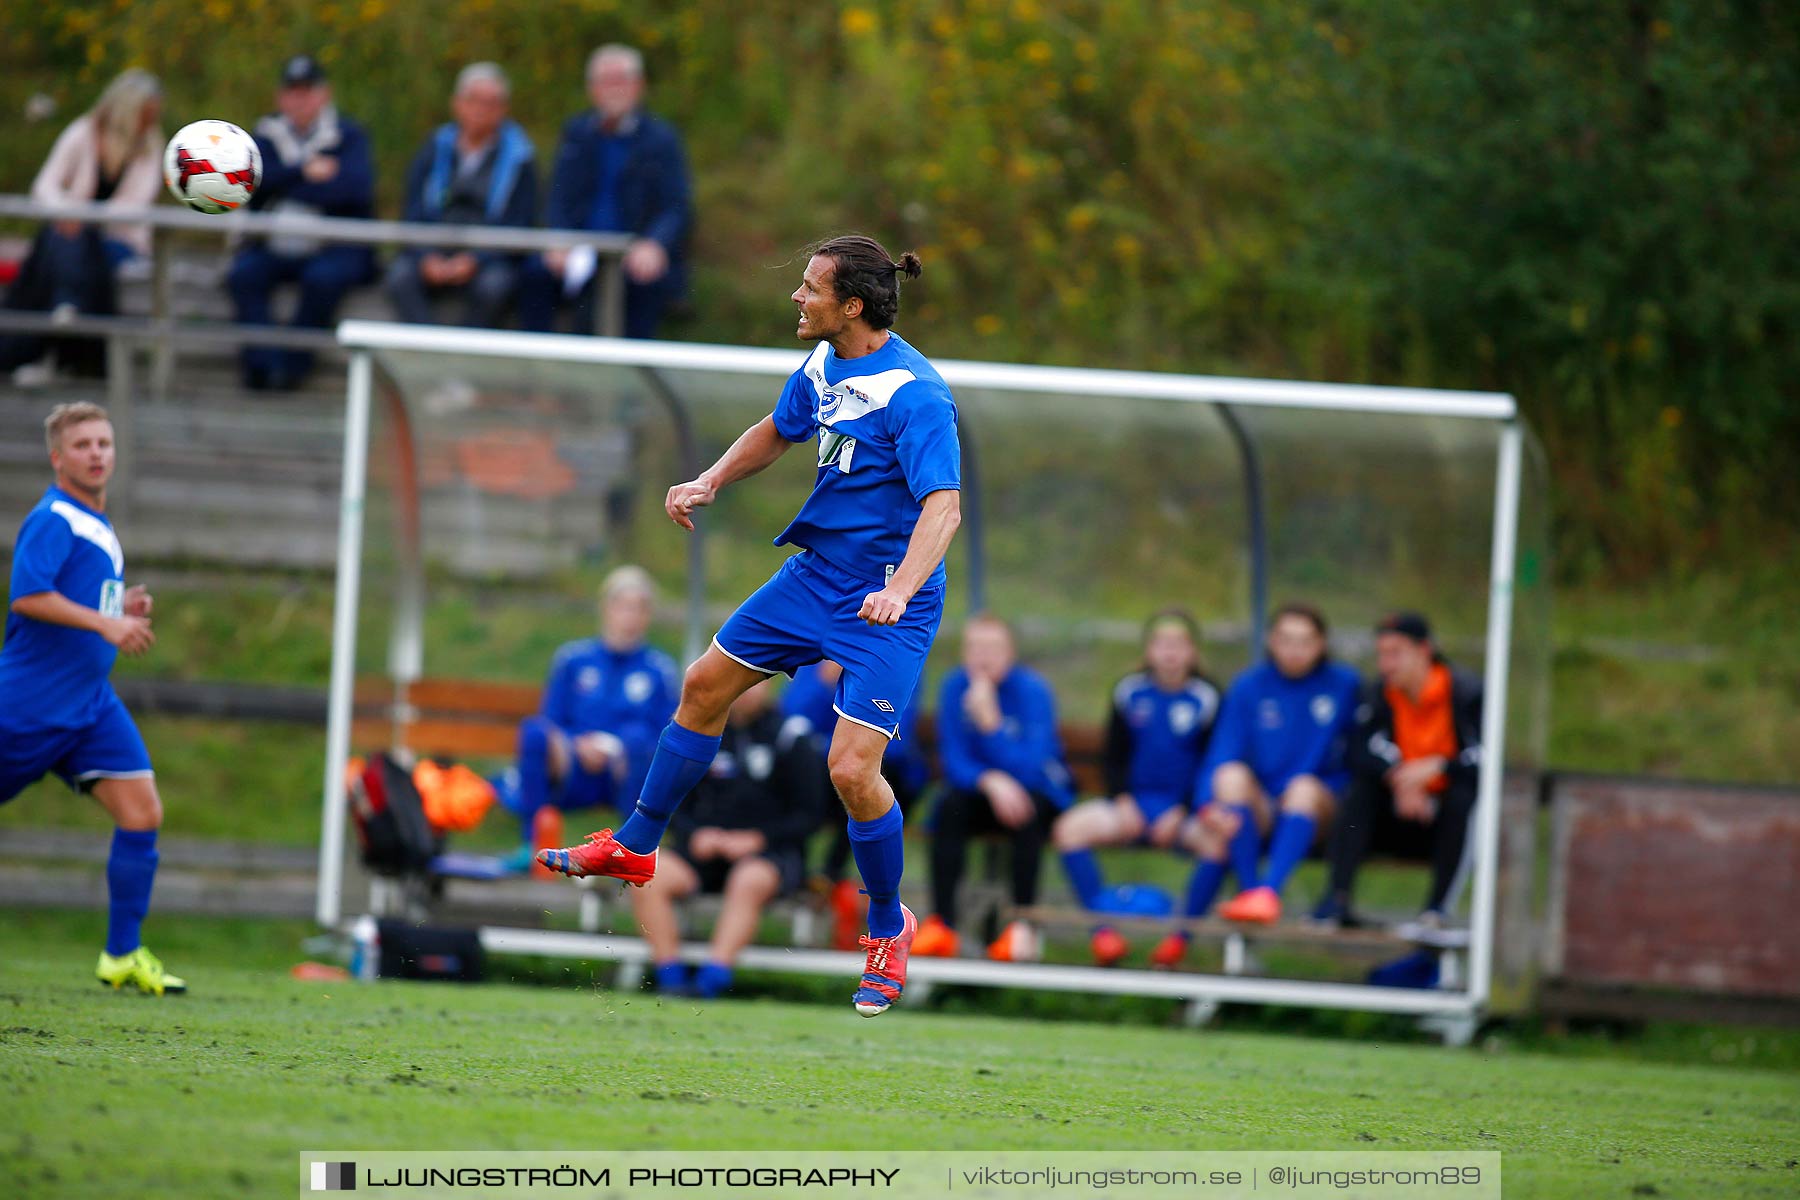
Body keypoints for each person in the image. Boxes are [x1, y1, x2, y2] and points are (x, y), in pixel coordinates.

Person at [536, 234, 958, 1019]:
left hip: (887, 606)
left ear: (852, 305)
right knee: (702, 685)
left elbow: (944, 507)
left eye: (810, 288)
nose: (797, 298)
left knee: (851, 772)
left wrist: (900, 587)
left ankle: (887, 925)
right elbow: (779, 427)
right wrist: (710, 478)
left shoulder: (917, 394)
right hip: (815, 577)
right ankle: (635, 845)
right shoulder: (826, 364)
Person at [0, 403, 182, 995]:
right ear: (58, 457)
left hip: (88, 706)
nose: (97, 453)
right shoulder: (54, 516)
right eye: (82, 445)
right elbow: (28, 595)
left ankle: (122, 955)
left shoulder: (93, 521)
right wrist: (107, 627)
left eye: (104, 442)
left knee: (142, 813)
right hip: (26, 706)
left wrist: (117, 606)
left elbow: (69, 596)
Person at [1152, 603, 1361, 967]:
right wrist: (1208, 807)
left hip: (1322, 810)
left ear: (1321, 643)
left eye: (1305, 641)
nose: (1295, 650)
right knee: (1229, 784)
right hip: (1263, 809)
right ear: (1271, 641)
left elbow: (1358, 759)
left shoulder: (1345, 685)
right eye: (1286, 640)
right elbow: (1221, 755)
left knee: (1302, 788)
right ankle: (1248, 900)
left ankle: (1263, 894)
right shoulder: (1249, 686)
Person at [629, 679, 827, 998]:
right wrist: (695, 834)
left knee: (748, 880)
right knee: (649, 874)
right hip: (705, 852)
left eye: (755, 680)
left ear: (769, 684)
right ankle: (670, 978)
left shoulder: (791, 735)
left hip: (768, 855)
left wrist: (758, 839)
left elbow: (811, 814)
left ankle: (712, 980)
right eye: (739, 677)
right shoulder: (699, 730)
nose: (745, 687)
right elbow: (669, 798)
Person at [1051, 609, 1220, 967]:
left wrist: (1184, 810)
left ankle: (1177, 942)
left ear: (1192, 652)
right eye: (1161, 644)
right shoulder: (1130, 692)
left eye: (1178, 644)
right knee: (1069, 831)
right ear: (1148, 651)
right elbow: (1112, 757)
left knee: (1218, 845)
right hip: (1133, 804)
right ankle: (1104, 935)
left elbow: (1211, 763)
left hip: (1179, 811)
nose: (1169, 653)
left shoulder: (1207, 698)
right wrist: (1124, 800)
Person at [913, 613, 1074, 964]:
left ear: (1011, 653)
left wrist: (991, 724)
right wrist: (989, 780)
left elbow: (1031, 769)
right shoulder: (955, 687)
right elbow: (954, 760)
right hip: (983, 793)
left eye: (993, 649)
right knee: (947, 807)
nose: (983, 658)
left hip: (1035, 793)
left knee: (1026, 809)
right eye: (974, 648)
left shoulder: (1032, 691)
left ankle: (1021, 926)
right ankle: (943, 924)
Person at [498, 566, 679, 872]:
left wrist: (619, 748)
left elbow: (666, 733)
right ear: (607, 609)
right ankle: (532, 845)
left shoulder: (659, 670)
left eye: (639, 609)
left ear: (648, 616)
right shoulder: (573, 659)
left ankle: (629, 851)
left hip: (626, 774)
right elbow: (551, 719)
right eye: (623, 606)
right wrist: (573, 745)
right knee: (534, 733)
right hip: (574, 768)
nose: (630, 617)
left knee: (638, 743)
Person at [1315, 611, 1483, 938]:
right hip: (1398, 812)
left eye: (1395, 654)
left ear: (1424, 651)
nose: (1385, 664)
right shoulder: (1380, 694)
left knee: (1462, 798)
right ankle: (1337, 900)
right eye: (1381, 655)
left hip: (1443, 817)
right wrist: (1401, 778)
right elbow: (1358, 749)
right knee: (1359, 793)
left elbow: (1484, 756)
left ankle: (1436, 910)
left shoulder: (1466, 692)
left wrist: (1438, 767)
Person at [519, 44, 692, 339]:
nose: (613, 89)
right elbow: (557, 196)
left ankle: (632, 376)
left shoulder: (661, 139)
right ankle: (536, 368)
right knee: (534, 275)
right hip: (579, 248)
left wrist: (655, 243)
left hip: (632, 250)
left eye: (620, 80)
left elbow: (676, 206)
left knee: (642, 284)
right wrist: (559, 237)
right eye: (605, 81)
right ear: (592, 89)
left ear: (638, 86)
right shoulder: (576, 133)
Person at [1, 70, 163, 382]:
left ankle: (53, 328)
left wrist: (80, 216)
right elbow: (45, 186)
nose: (150, 122)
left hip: (117, 242)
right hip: (70, 235)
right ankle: (67, 327)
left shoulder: (150, 148)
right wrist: (67, 212)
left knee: (58, 247)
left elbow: (134, 206)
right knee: (59, 241)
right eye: (146, 115)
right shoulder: (83, 132)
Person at [227, 54, 376, 390]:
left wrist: (285, 185)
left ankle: (292, 369)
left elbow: (354, 190)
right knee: (244, 274)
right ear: (281, 96)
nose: (300, 99)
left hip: (332, 247)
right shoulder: (265, 135)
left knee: (322, 279)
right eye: (292, 91)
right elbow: (246, 183)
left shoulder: (349, 135)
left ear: (324, 95)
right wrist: (305, 173)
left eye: (307, 91)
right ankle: (261, 368)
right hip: (275, 244)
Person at [780, 659, 927, 949]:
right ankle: (810, 882)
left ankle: (835, 883)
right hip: (822, 775)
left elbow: (897, 736)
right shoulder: (818, 654)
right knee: (807, 771)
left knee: (862, 778)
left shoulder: (897, 652)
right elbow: (793, 721)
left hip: (879, 773)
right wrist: (826, 683)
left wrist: (843, 752)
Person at [385, 63, 538, 329]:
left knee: (495, 287)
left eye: (491, 103)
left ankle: (462, 359)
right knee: (399, 278)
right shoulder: (433, 148)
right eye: (474, 100)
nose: (481, 109)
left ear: (504, 110)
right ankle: (431, 351)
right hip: (433, 248)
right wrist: (426, 256)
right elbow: (413, 210)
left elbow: (520, 222)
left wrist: (476, 260)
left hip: (490, 256)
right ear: (457, 103)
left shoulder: (520, 156)